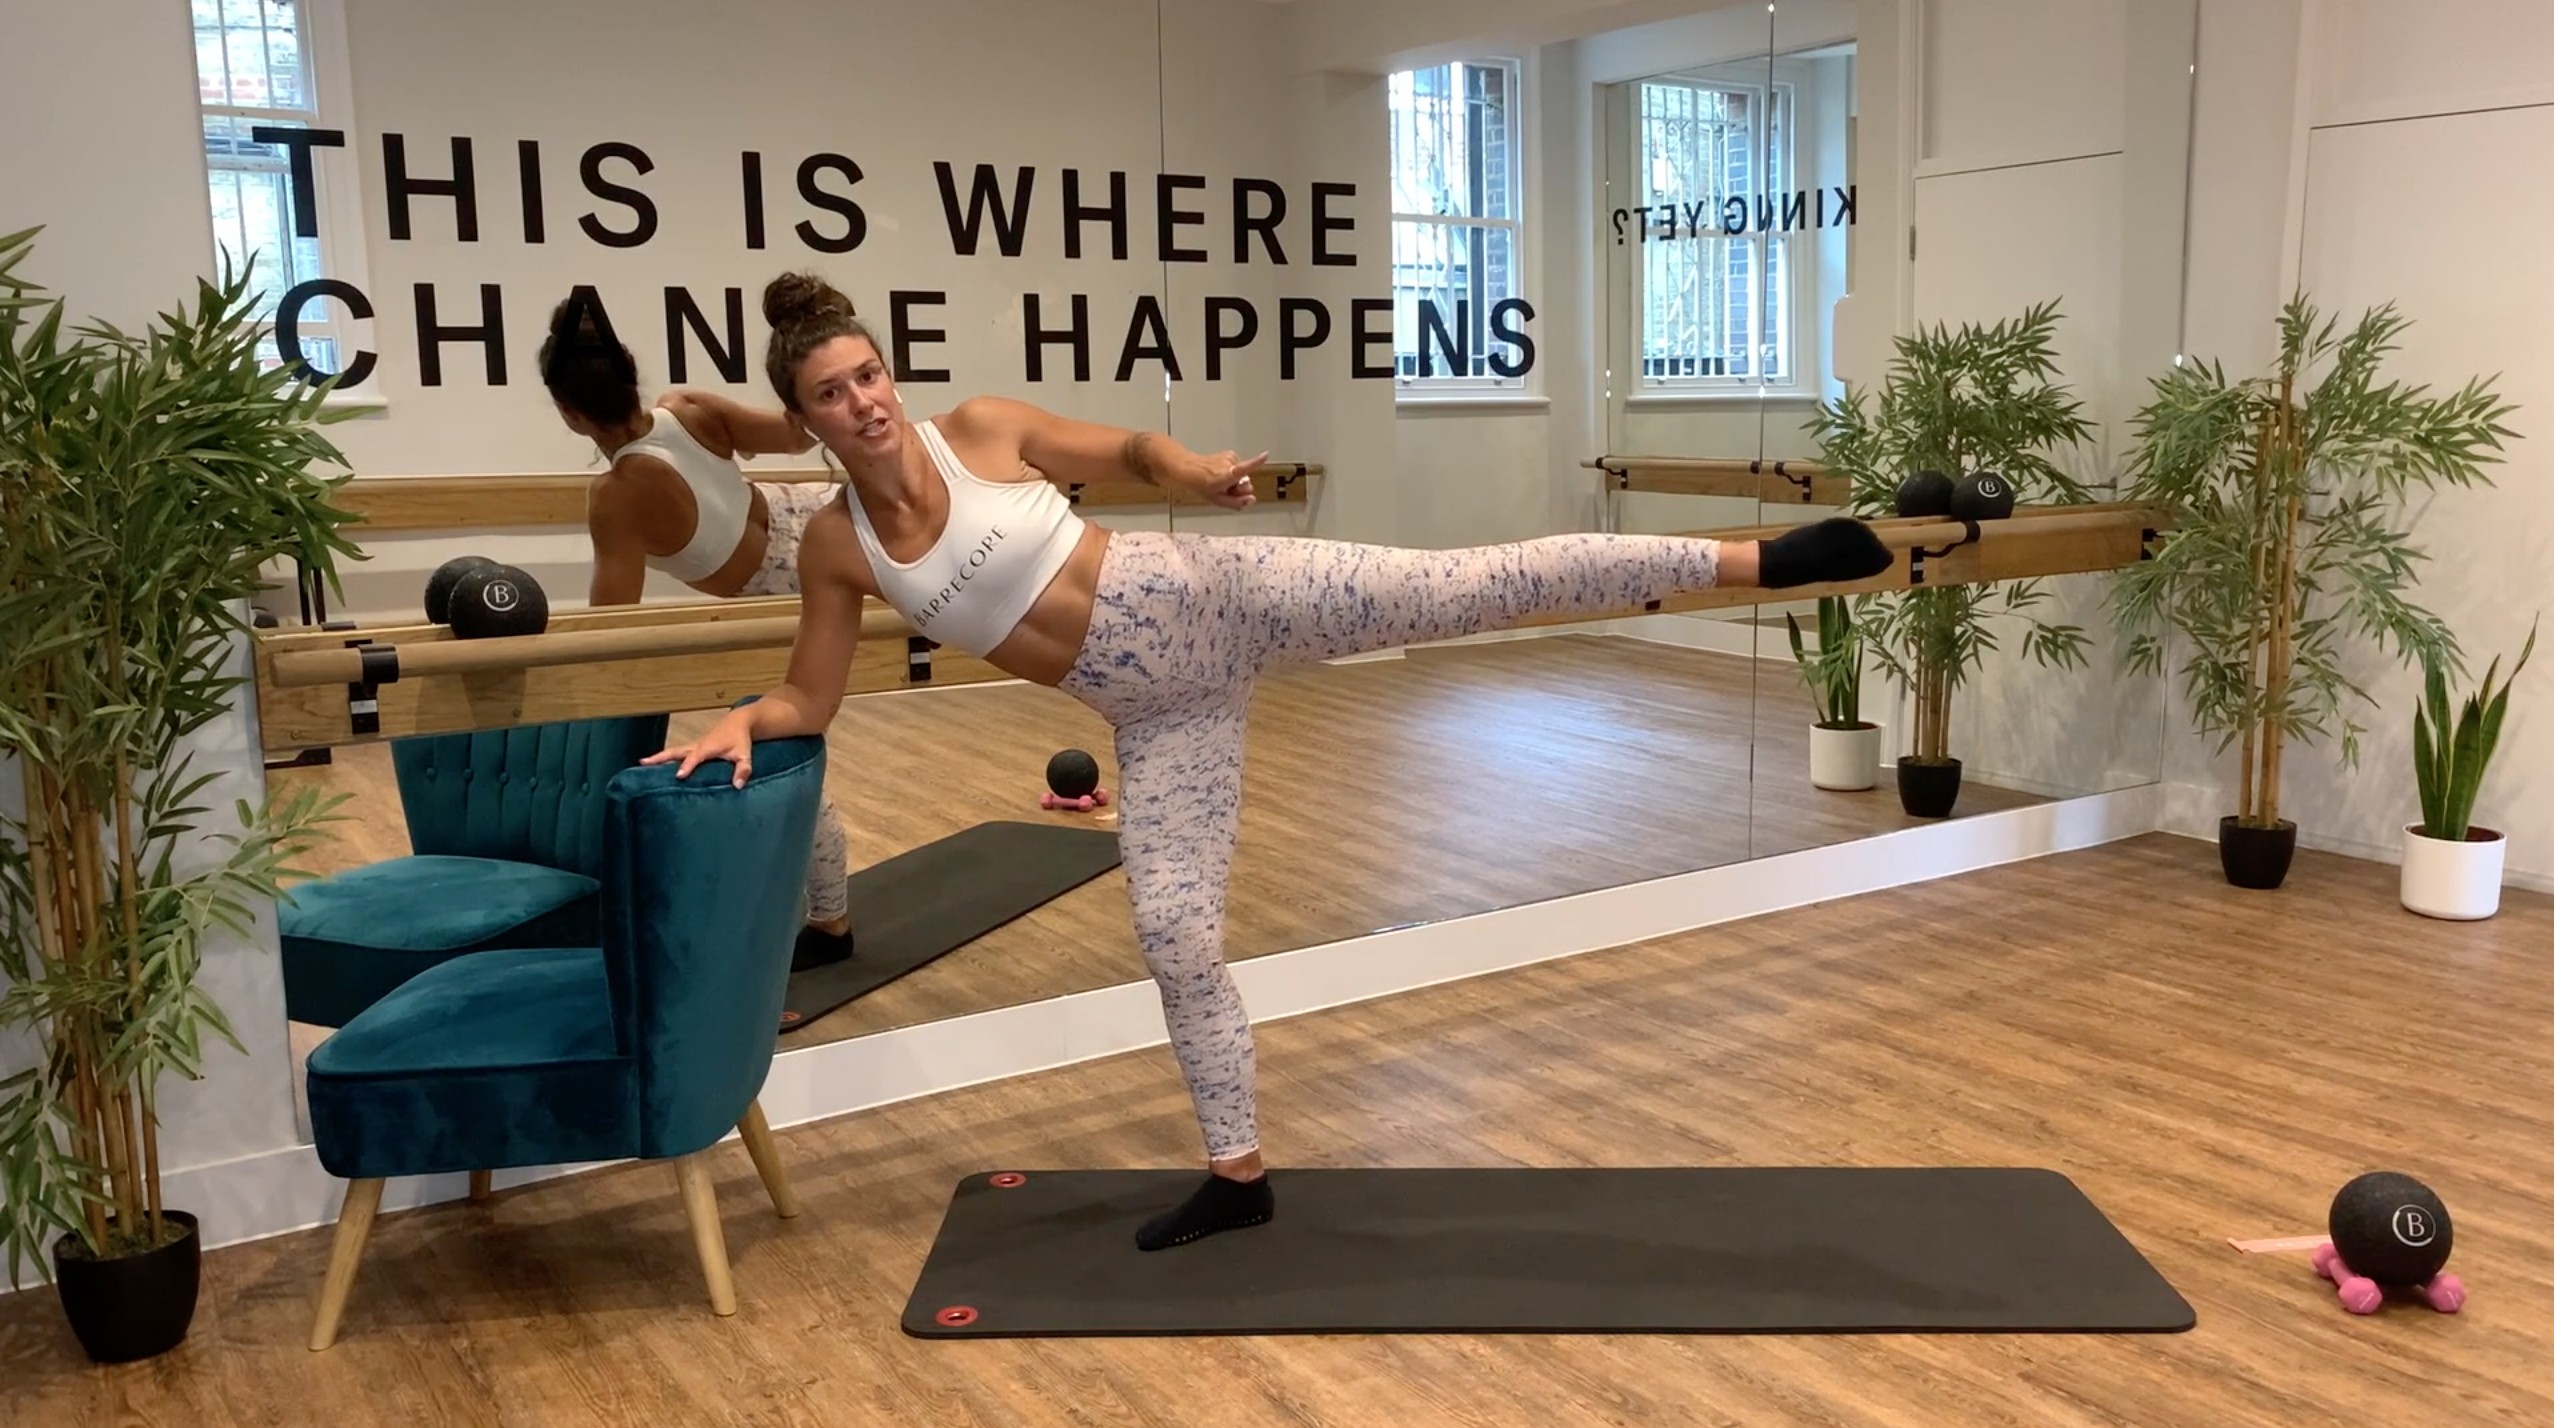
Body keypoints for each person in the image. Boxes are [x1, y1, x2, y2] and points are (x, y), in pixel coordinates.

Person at [649, 272, 1898, 1251]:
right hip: (1156, 717)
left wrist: (1184, 466)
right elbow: (810, 698)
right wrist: (731, 723)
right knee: (1177, 935)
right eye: (832, 393)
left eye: (869, 375)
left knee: (1481, 582)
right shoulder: (839, 550)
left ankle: (1758, 560)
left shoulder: (979, 430)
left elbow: (1129, 453)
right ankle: (1237, 1175)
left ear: (889, 373)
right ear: (804, 418)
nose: (862, 403)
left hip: (1232, 594)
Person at [537, 296, 859, 969]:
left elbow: (613, 625)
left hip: (775, 593)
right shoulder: (690, 408)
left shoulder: (617, 494)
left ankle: (831, 924)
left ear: (568, 414)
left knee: (783, 748)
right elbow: (802, 433)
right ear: (632, 373)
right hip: (813, 517)